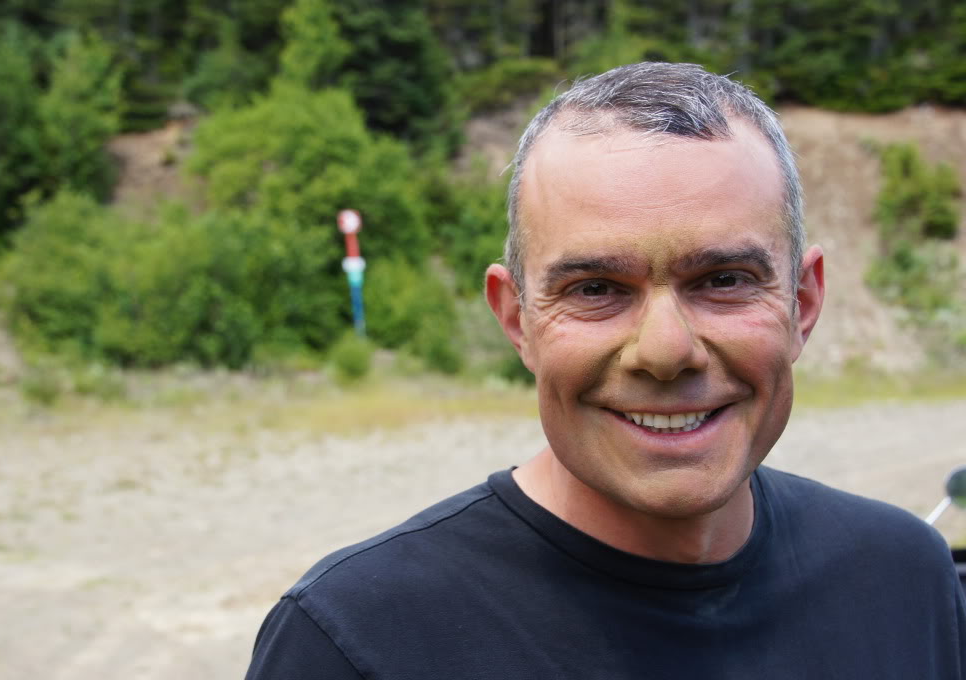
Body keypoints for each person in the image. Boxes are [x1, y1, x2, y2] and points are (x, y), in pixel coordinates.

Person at [245, 62, 966, 679]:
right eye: (595, 289)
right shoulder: (359, 642)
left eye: (722, 279)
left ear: (802, 303)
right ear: (516, 317)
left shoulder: (905, 578)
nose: (664, 350)